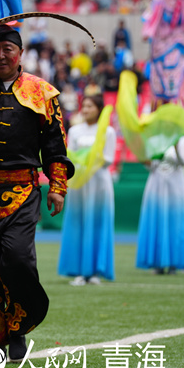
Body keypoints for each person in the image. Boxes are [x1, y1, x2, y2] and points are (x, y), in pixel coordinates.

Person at [0, 24, 74, 362]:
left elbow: (55, 146)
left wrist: (57, 187)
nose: (1, 55)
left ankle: (19, 327)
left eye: (8, 49)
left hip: (22, 191)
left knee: (17, 259)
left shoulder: (43, 93)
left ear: (20, 53)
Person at [58, 94, 116, 285]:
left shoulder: (107, 131)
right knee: (79, 222)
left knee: (98, 222)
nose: (86, 110)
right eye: (84, 106)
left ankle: (96, 271)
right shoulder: (74, 131)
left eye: (90, 106)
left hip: (99, 183)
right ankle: (79, 271)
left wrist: (92, 157)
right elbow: (70, 156)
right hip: (80, 183)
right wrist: (82, 159)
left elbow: (108, 159)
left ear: (98, 109)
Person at [136, 134, 184, 275]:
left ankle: (174, 263)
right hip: (157, 183)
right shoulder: (154, 138)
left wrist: (177, 146)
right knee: (156, 219)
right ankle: (157, 262)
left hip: (176, 184)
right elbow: (152, 164)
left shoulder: (183, 139)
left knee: (175, 221)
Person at [141, 0, 184, 107]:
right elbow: (152, 17)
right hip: (161, 42)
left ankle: (179, 107)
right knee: (159, 75)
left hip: (180, 41)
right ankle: (160, 107)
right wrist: (148, 32)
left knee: (179, 73)